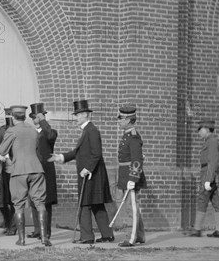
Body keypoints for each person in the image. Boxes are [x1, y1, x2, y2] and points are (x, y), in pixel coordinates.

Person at [49, 100, 114, 244]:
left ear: (85, 115)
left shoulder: (92, 131)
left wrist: (88, 168)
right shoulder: (87, 131)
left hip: (91, 175)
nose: (76, 118)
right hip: (91, 175)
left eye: (78, 115)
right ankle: (107, 235)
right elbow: (77, 152)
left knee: (85, 204)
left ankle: (87, 237)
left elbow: (96, 153)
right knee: (97, 204)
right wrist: (60, 157)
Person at [0, 105, 51, 247]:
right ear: (24, 116)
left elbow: (2, 151)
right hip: (37, 169)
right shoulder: (33, 130)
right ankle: (44, 238)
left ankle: (21, 239)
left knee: (18, 204)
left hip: (19, 170)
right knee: (40, 203)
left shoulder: (12, 130)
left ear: (13, 117)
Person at [186, 119, 219, 238]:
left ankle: (197, 229)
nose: (199, 132)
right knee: (216, 202)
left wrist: (208, 179)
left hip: (209, 174)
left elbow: (212, 162)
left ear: (207, 129)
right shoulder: (209, 141)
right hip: (211, 174)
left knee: (203, 200)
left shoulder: (212, 141)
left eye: (200, 129)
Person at [115, 105, 147, 247]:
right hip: (125, 175)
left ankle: (131, 238)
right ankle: (139, 235)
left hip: (130, 176)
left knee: (131, 208)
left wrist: (133, 178)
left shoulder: (133, 137)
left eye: (121, 118)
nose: (118, 120)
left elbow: (137, 160)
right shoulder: (127, 135)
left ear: (128, 120)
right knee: (132, 207)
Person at [27, 103, 58, 241]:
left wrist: (43, 121)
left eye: (39, 117)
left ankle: (46, 231)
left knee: (46, 201)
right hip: (33, 170)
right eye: (34, 117)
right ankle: (37, 230)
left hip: (46, 171)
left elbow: (50, 135)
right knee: (33, 200)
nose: (36, 120)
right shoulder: (30, 133)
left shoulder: (49, 132)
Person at [0, 107, 17, 235]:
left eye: (11, 115)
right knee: (2, 200)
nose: (8, 117)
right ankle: (7, 223)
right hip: (2, 169)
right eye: (7, 114)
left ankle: (13, 226)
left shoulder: (18, 130)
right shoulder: (0, 131)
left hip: (14, 169)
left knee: (14, 199)